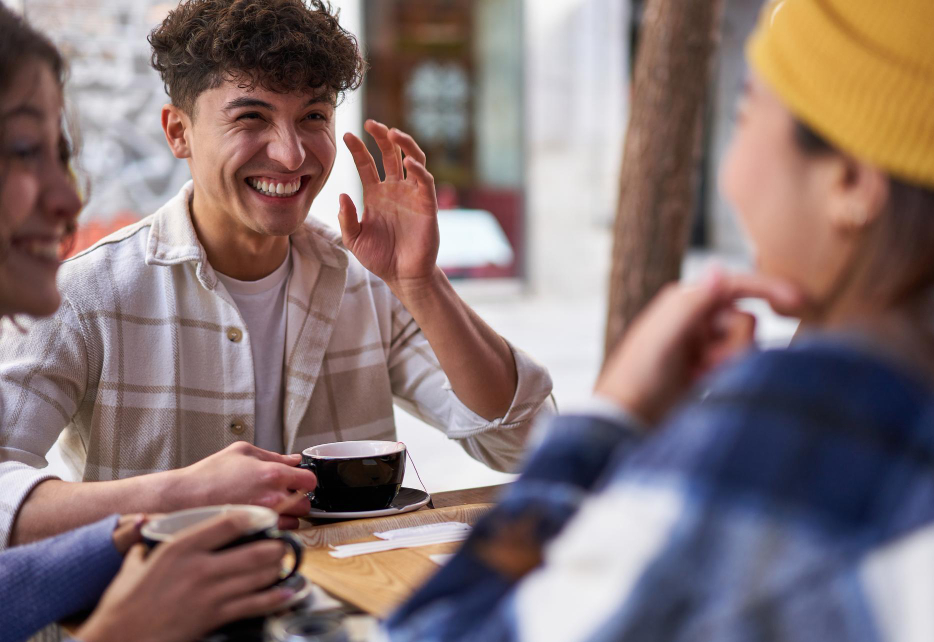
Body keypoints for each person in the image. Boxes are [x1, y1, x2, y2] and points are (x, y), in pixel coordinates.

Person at [372, 0, 934, 642]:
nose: (728, 167)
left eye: (746, 111)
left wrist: (614, 418)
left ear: (849, 182)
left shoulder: (810, 422)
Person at [0, 0, 554, 549]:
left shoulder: (364, 279)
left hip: (338, 620)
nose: (291, 156)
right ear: (179, 132)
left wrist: (420, 283)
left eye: (313, 117)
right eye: (251, 118)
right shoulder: (86, 293)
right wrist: (182, 493)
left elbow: (529, 443)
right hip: (155, 627)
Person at [0, 6, 304, 642]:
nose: (69, 196)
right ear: (179, 132)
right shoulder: (92, 286)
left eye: (64, 153)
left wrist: (136, 534)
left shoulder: (355, 272)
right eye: (25, 151)